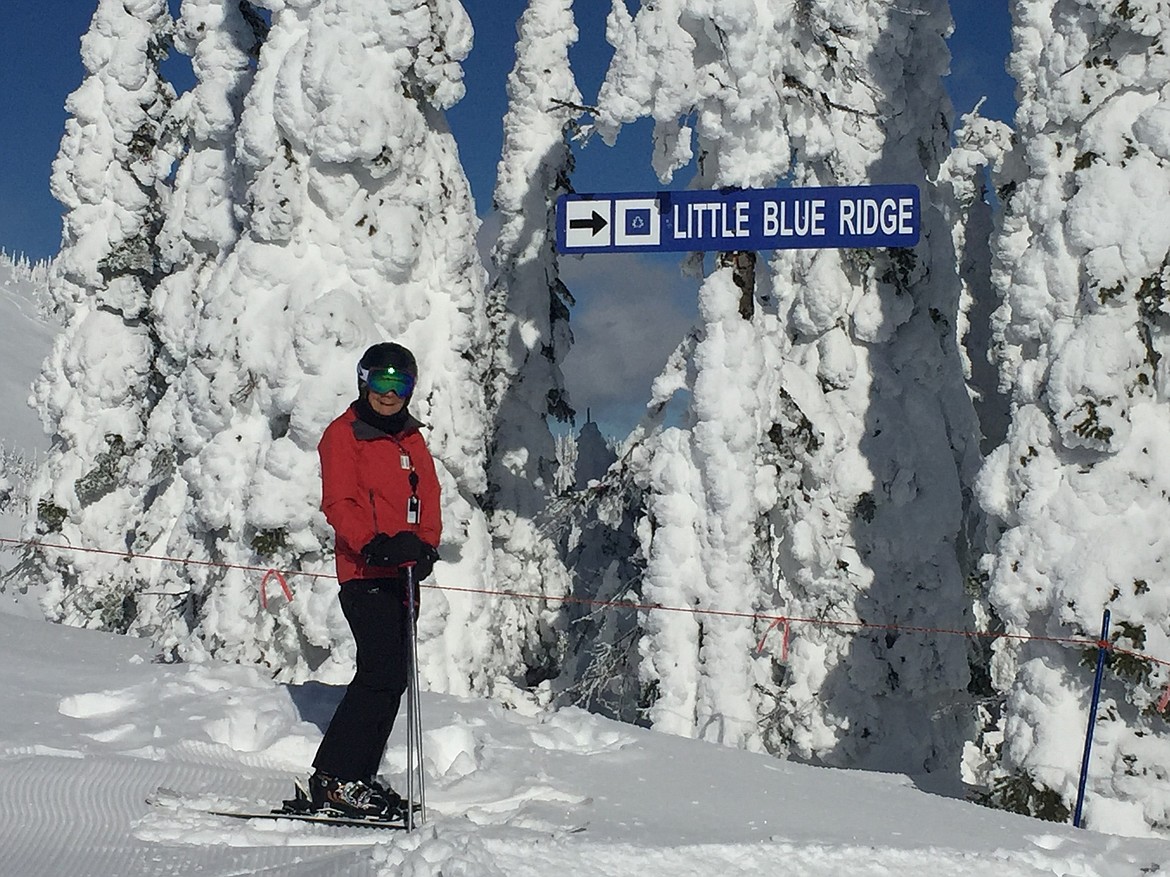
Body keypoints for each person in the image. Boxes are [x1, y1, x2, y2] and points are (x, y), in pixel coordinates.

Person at [304, 341, 441, 818]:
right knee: (380, 674)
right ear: (363, 381)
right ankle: (334, 779)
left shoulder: (410, 438)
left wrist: (426, 546)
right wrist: (373, 543)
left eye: (400, 384)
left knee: (393, 677)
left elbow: (428, 496)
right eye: (381, 381)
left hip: (403, 573)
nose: (389, 393)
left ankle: (355, 777)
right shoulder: (344, 434)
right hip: (364, 572)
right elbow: (339, 502)